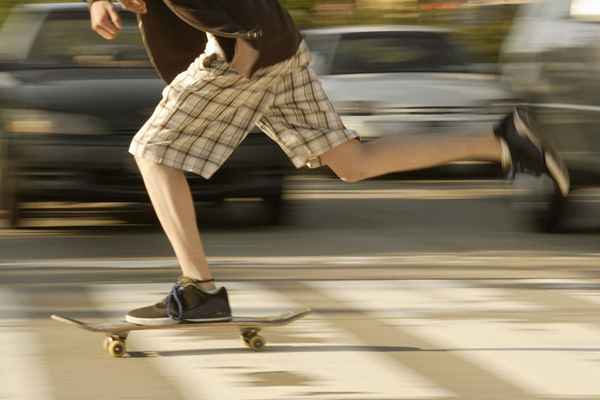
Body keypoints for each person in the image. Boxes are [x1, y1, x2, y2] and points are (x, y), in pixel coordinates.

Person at [86, 0, 569, 325]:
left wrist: (242, 66)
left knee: (152, 151)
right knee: (350, 162)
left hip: (245, 49)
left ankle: (200, 290)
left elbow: (241, 26)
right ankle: (503, 142)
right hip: (279, 48)